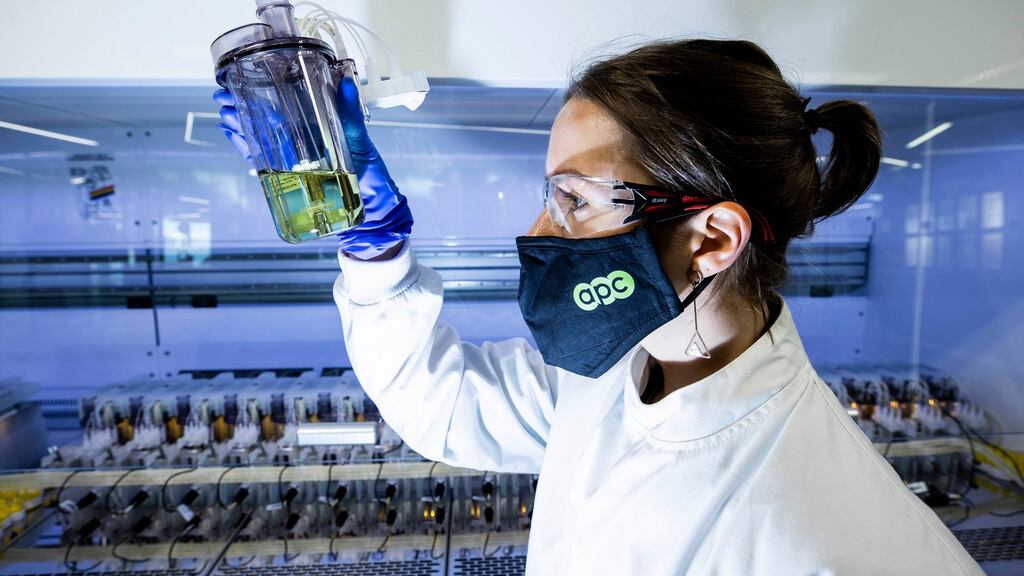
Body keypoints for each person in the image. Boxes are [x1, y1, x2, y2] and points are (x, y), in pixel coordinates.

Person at [217, 39, 981, 575]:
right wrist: (372, 245)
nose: (540, 232)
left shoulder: (820, 539)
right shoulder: (616, 366)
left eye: (573, 199)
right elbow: (439, 401)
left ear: (711, 238)